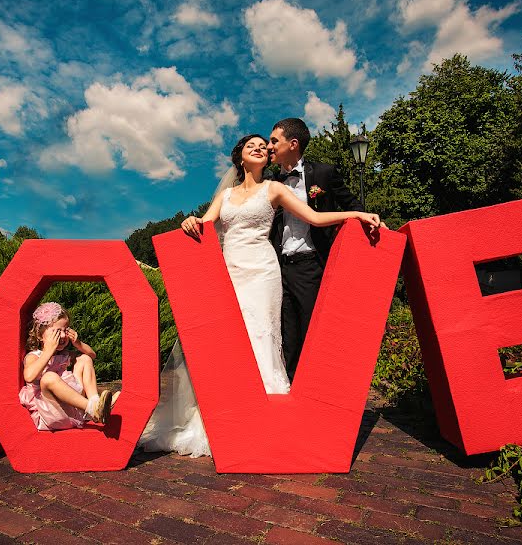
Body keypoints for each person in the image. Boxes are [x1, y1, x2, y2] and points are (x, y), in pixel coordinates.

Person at [139, 134, 382, 457]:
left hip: (263, 270)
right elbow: (205, 225)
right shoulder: (224, 195)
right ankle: (223, 414)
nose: (259, 148)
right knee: (230, 338)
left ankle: (266, 415)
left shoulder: (275, 189)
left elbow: (314, 218)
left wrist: (355, 215)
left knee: (263, 334)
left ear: (268, 158)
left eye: (262, 146)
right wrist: (190, 221)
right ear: (240, 157)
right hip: (231, 269)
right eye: (251, 145)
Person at [268, 118, 368, 381]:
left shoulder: (323, 173)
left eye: (274, 141)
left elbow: (351, 203)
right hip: (277, 267)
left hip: (311, 264)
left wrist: (370, 218)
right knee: (285, 334)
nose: (269, 147)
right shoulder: (270, 181)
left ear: (293, 144)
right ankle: (289, 392)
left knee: (311, 328)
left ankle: (314, 386)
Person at [20, 302, 115, 430]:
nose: (63, 335)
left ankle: (95, 403)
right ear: (39, 335)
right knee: (48, 378)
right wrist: (48, 351)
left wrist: (78, 343)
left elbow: (92, 355)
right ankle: (93, 409)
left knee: (84, 359)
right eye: (57, 331)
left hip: (73, 411)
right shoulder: (34, 356)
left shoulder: (63, 354)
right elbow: (29, 376)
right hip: (52, 413)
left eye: (65, 330)